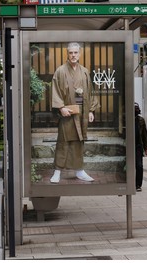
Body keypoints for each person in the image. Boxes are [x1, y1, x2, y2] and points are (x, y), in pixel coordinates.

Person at [50, 42, 100, 184]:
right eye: (71, 53)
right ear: (67, 53)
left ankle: (79, 170)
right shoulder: (60, 71)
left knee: (79, 141)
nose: (73, 55)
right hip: (67, 112)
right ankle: (57, 171)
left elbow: (90, 91)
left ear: (80, 53)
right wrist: (61, 108)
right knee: (63, 141)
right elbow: (55, 91)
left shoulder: (84, 71)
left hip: (81, 113)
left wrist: (91, 110)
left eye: (75, 53)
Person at [135, 102, 147, 192]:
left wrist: (146, 148)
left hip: (138, 146)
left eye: (136, 109)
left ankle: (138, 184)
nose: (135, 110)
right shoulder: (125, 119)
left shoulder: (141, 120)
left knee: (139, 166)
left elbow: (145, 135)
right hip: (127, 146)